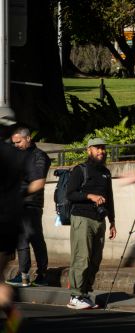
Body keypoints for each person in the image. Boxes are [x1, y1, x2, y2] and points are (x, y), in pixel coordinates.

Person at [0, 111, 44, 333]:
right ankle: (12, 316)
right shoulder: (21, 155)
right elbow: (38, 182)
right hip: (11, 222)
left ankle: (12, 315)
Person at [66, 138, 117, 310]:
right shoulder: (80, 170)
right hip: (82, 218)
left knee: (95, 259)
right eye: (97, 148)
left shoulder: (106, 173)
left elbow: (110, 198)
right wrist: (90, 196)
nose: (101, 151)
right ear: (89, 150)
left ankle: (85, 293)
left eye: (103, 148)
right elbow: (70, 194)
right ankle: (75, 295)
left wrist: (112, 221)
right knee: (82, 258)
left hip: (99, 220)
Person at [7, 127, 51, 287]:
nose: (16, 145)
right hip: (20, 203)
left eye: (18, 142)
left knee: (34, 238)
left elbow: (38, 183)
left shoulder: (39, 156)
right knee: (23, 239)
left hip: (31, 204)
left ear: (28, 138)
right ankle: (25, 275)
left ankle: (39, 274)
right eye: (14, 143)